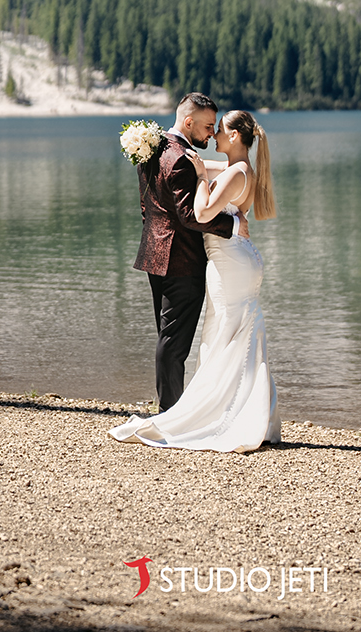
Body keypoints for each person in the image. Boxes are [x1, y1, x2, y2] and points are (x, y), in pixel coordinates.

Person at [112, 106, 280, 452]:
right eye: (209, 126)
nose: (213, 134)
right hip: (235, 260)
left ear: (234, 135)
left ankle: (210, 413)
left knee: (223, 336)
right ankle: (238, 412)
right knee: (233, 335)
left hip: (229, 262)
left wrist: (202, 178)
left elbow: (201, 213)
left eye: (218, 128)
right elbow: (187, 168)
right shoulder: (237, 168)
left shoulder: (235, 173)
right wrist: (171, 154)